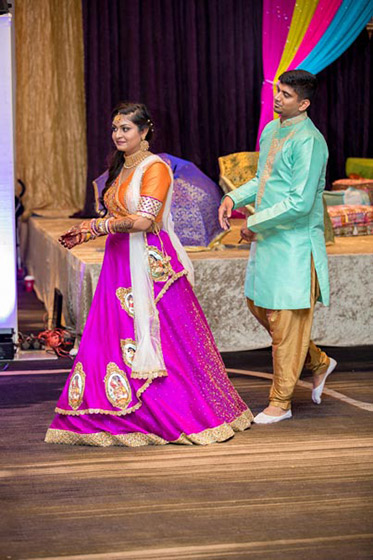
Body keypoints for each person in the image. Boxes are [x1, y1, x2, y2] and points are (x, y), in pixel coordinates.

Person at [45, 102, 252, 447]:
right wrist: (89, 230)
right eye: (114, 128)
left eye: (126, 128)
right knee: (112, 332)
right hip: (119, 259)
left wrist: (94, 225)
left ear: (144, 132)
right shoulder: (121, 167)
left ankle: (165, 412)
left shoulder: (155, 168)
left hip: (149, 262)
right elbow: (119, 217)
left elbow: (144, 221)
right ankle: (108, 408)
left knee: (165, 336)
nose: (118, 135)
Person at [218, 70, 336, 425]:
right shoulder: (273, 130)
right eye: (277, 91)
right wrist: (232, 197)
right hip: (270, 239)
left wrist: (253, 223)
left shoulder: (310, 142)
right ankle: (318, 362)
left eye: (285, 94)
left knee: (285, 325)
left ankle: (280, 402)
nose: (277, 98)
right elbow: (262, 178)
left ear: (304, 103)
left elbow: (300, 202)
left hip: (295, 246)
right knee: (259, 307)